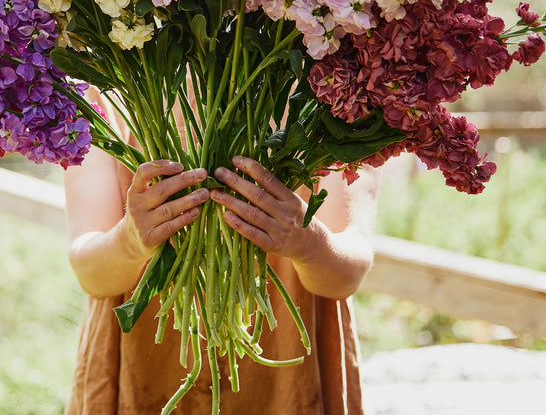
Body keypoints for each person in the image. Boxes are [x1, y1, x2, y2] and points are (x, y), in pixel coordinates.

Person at [62, 104, 380, 414]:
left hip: (288, 376)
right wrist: (131, 240)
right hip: (140, 369)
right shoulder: (102, 96)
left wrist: (308, 243)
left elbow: (349, 272)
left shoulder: (341, 91)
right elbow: (90, 273)